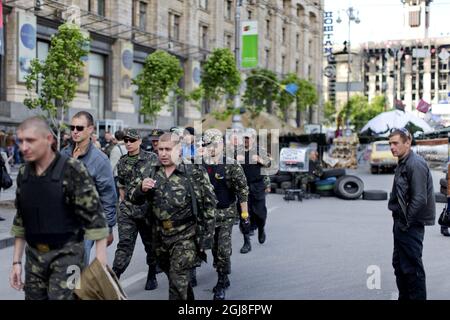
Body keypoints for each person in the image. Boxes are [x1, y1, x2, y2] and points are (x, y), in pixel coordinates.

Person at [9, 117, 108, 300]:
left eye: (30, 140)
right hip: (34, 258)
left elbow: (95, 217)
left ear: (48, 139)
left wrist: (100, 262)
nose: (23, 147)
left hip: (68, 256)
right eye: (20, 141)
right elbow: (21, 219)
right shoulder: (24, 173)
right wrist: (16, 262)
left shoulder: (72, 170)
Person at [130, 132, 217, 300]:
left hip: (186, 237)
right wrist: (141, 188)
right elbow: (134, 198)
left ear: (179, 149)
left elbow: (209, 205)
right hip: (160, 237)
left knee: (177, 283)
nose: (163, 153)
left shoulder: (193, 171)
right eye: (160, 149)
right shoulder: (150, 170)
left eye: (168, 149)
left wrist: (206, 238)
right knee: (177, 280)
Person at [61, 111, 117, 265]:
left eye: (79, 128)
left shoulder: (100, 160)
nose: (74, 131)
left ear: (91, 129)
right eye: (72, 127)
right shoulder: (64, 154)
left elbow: (108, 196)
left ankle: (76, 288)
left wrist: (109, 229)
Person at [388, 128, 435, 300]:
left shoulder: (415, 164)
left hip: (410, 224)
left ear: (407, 142)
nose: (392, 147)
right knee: (400, 265)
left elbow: (420, 198)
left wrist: (406, 223)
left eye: (395, 143)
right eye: (390, 144)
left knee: (412, 269)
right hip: (401, 223)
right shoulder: (403, 162)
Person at [201, 129, 249, 300]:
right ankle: (221, 270)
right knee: (213, 248)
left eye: (214, 145)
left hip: (226, 213)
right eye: (208, 145)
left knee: (222, 248)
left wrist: (245, 215)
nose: (211, 148)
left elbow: (242, 190)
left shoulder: (231, 165)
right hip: (206, 216)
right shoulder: (199, 165)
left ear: (221, 144)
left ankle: (222, 279)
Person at [112, 128, 160, 291]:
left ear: (139, 141)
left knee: (151, 245)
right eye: (125, 141)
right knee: (124, 244)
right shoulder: (122, 161)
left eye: (132, 140)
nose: (128, 143)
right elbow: (122, 187)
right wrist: (124, 204)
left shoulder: (152, 158)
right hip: (128, 211)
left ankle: (152, 274)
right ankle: (114, 278)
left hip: (147, 210)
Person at [237, 128, 271, 254]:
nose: (245, 140)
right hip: (242, 188)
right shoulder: (238, 151)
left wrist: (260, 160)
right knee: (244, 215)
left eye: (248, 137)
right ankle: (246, 242)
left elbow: (269, 164)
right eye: (244, 137)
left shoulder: (260, 150)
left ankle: (261, 228)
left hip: (257, 186)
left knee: (260, 214)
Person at [109, 130, 127, 197]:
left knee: (117, 197)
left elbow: (111, 166)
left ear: (116, 138)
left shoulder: (116, 149)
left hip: (118, 177)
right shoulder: (128, 146)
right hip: (128, 175)